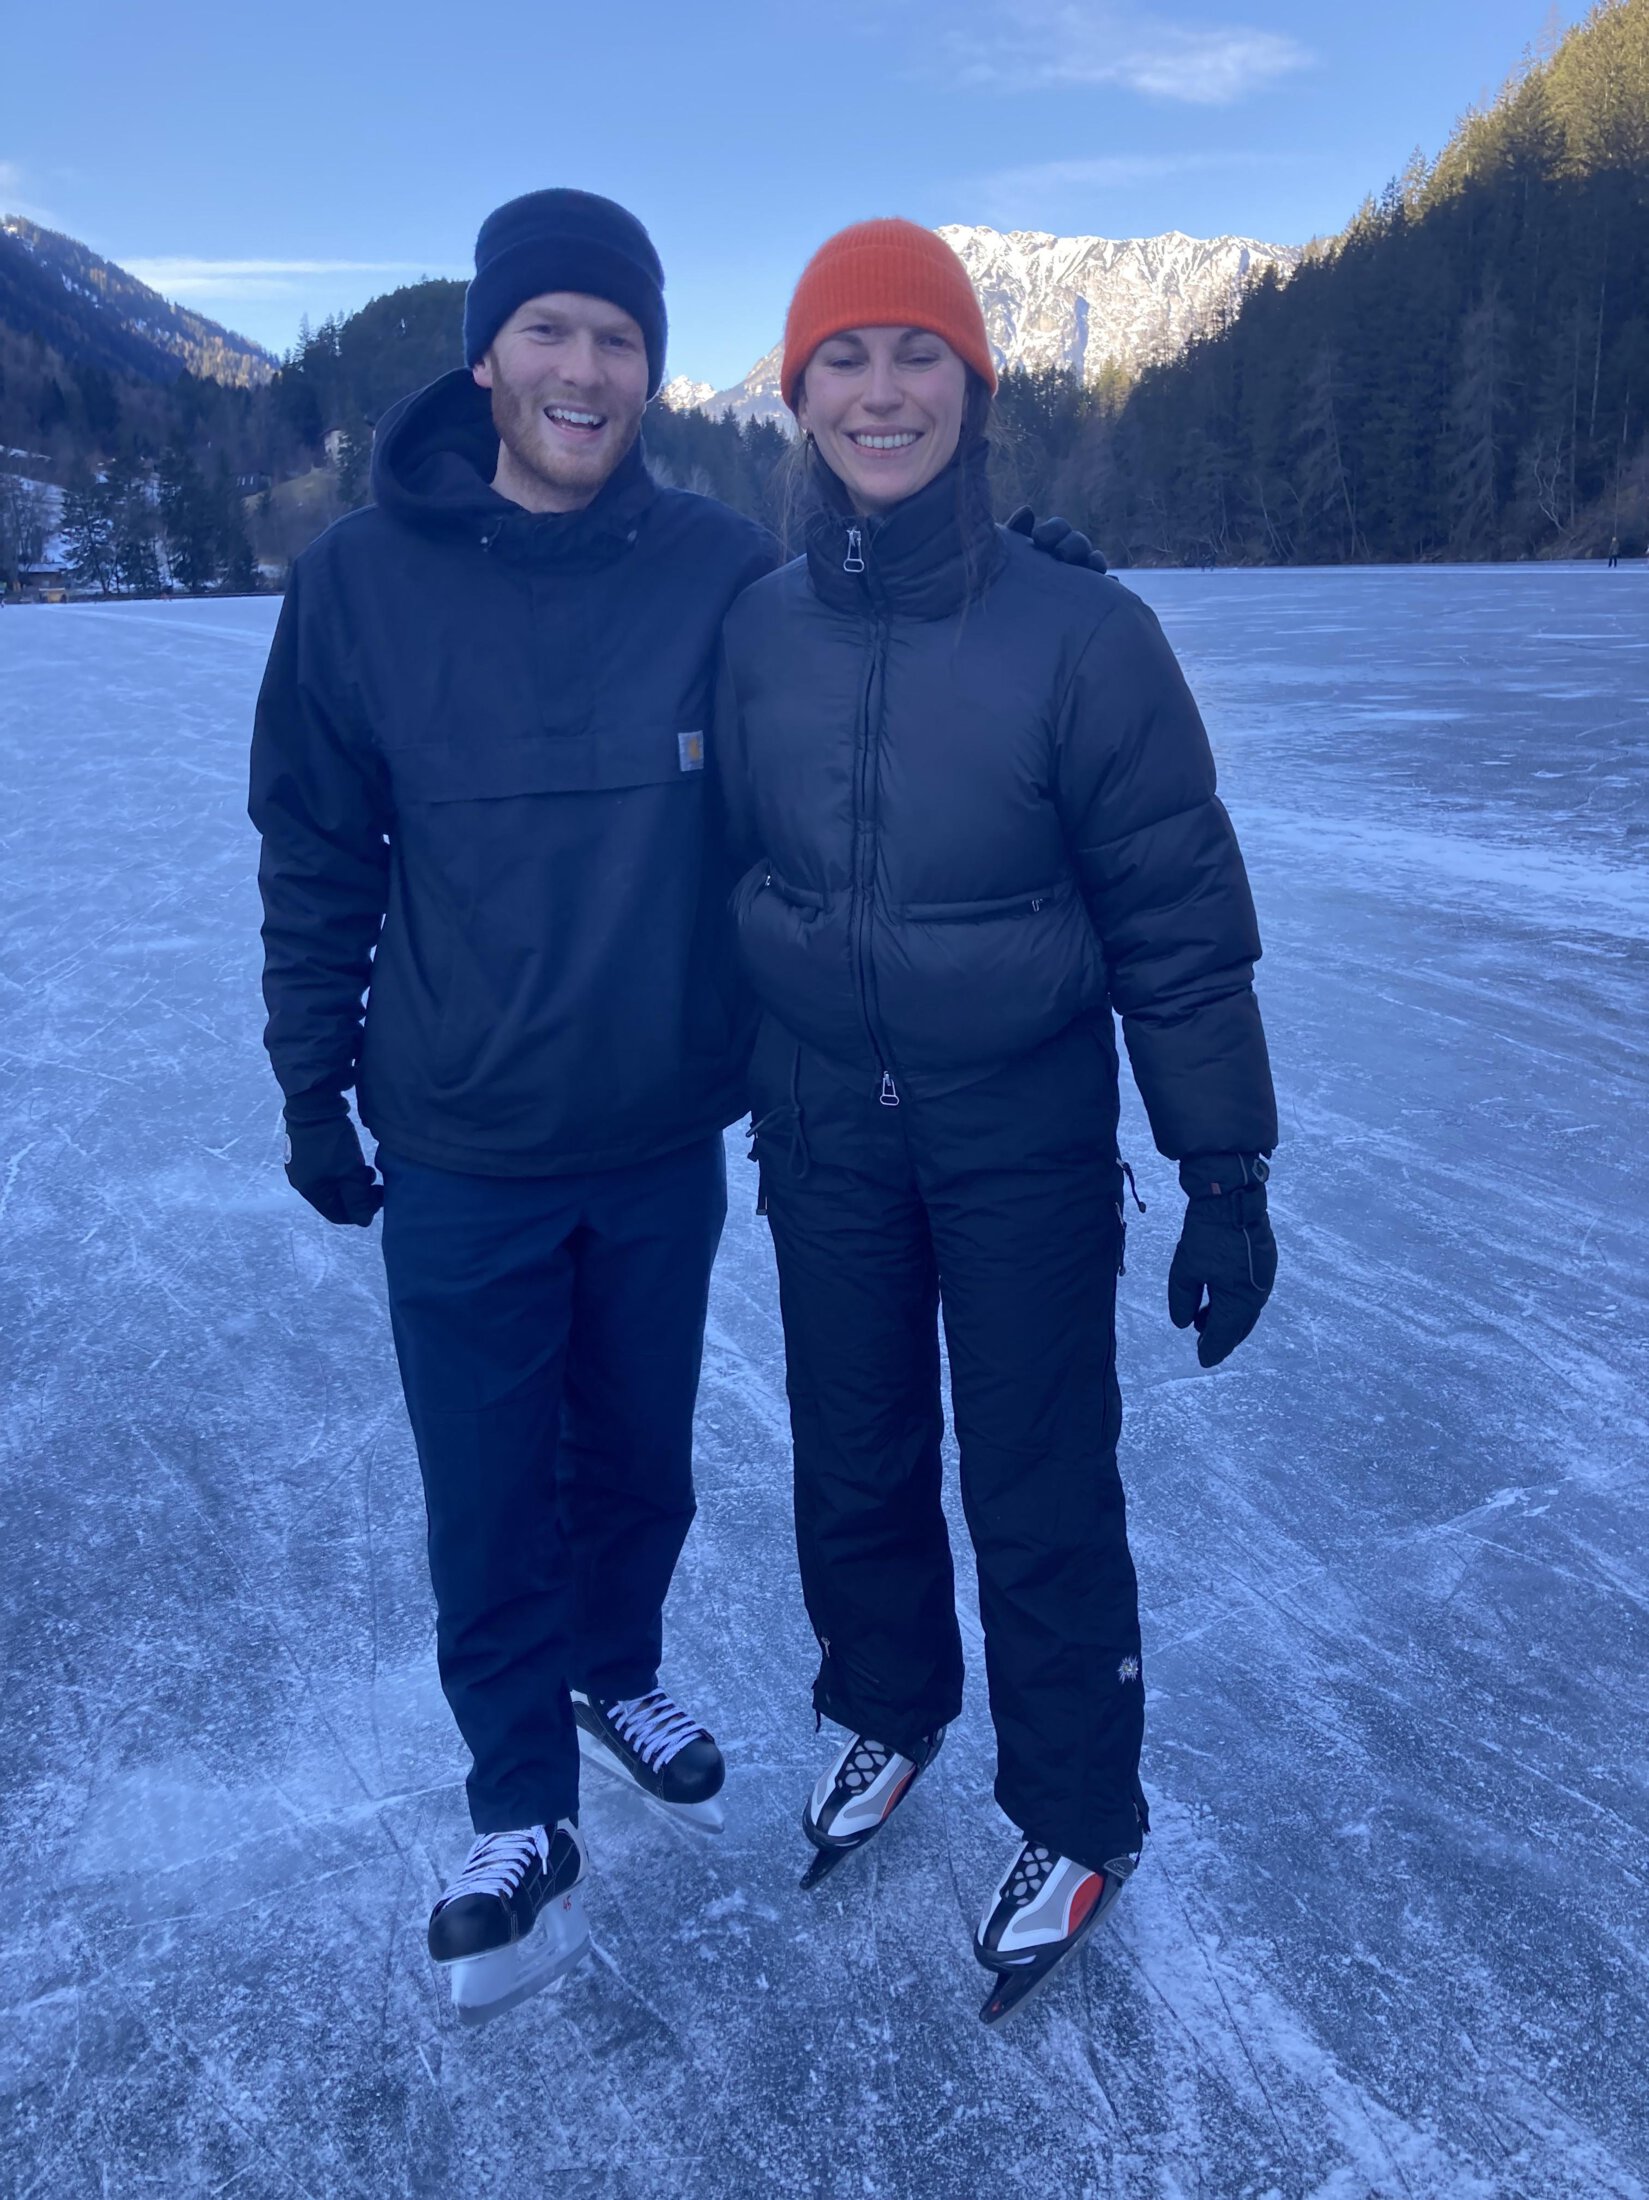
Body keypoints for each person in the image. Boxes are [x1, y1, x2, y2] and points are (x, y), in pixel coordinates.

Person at [714, 220, 1280, 2024]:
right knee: (851, 1452)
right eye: (845, 359)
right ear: (797, 394)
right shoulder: (757, 630)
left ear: (973, 385)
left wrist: (1222, 1170)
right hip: (822, 1122)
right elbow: (727, 870)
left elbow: (1175, 918)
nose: (881, 393)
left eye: (919, 356)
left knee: (1036, 1479)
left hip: (1019, 1128)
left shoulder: (1082, 633)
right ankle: (885, 1707)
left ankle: (1076, 1811)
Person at [249, 190, 778, 2023]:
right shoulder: (355, 582)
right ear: (486, 357)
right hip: (462, 1133)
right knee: (486, 1488)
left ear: (650, 370)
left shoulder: (717, 565)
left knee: (638, 1455)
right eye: (549, 329)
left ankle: (614, 1669)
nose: (584, 367)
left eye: (618, 338)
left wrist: (999, 585)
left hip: (658, 1123)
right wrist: (310, 1086)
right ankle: (516, 1810)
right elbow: (318, 852)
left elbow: (848, 676)